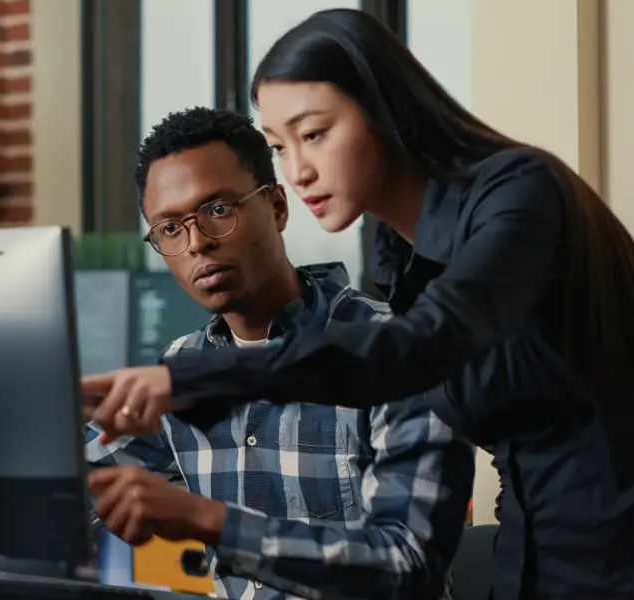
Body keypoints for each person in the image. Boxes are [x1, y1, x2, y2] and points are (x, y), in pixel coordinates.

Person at [83, 9, 634, 600]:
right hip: (539, 554)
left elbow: (414, 353)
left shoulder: (519, 192)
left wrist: (184, 382)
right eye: (281, 146)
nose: (299, 171)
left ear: (384, 112)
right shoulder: (398, 259)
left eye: (314, 135)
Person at [84, 107, 474, 600]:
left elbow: (407, 566)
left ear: (277, 207)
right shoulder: (178, 369)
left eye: (218, 210)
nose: (197, 243)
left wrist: (205, 521)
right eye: (169, 228)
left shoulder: (391, 349)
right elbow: (68, 489)